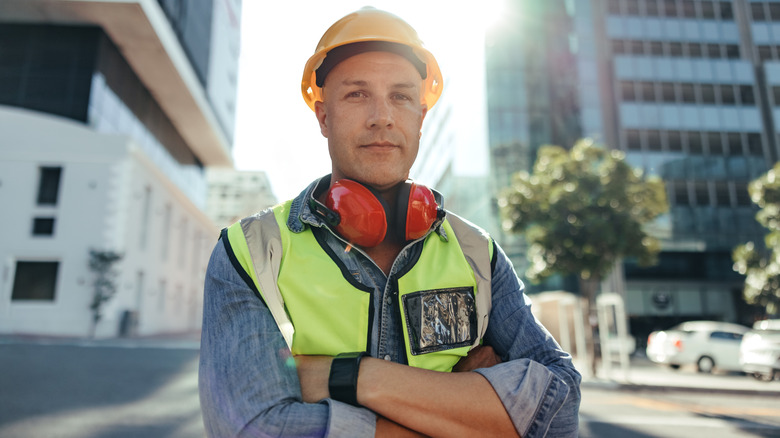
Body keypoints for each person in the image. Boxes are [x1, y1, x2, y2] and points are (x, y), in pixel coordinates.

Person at [199, 7, 581, 437]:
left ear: (420, 116)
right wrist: (464, 407)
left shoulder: (476, 251)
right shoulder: (250, 251)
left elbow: (560, 408)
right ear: (324, 116)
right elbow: (254, 429)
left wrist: (347, 377)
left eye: (400, 96)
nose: (382, 116)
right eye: (357, 94)